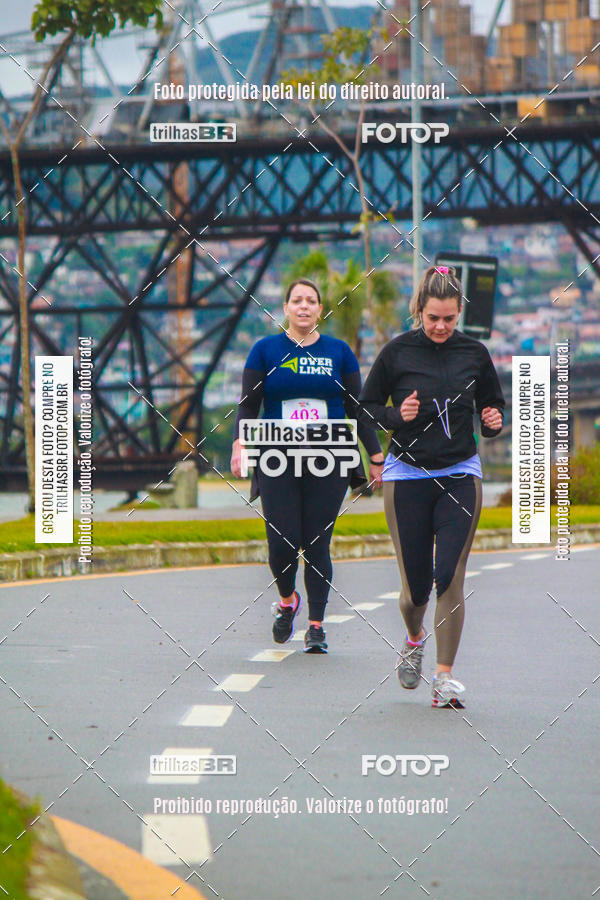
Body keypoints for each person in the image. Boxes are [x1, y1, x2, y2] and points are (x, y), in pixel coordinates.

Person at [359, 265, 504, 707]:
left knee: (450, 576)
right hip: (407, 478)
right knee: (415, 590)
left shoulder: (474, 354)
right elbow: (365, 408)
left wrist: (492, 421)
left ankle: (443, 679)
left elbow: (492, 405)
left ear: (459, 313)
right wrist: (395, 417)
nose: (441, 326)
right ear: (418, 310)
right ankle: (413, 636)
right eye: (433, 318)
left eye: (449, 319)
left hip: (460, 474)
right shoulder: (397, 353)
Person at [231, 278, 383, 653]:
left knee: (317, 542)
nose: (303, 306)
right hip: (276, 456)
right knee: (281, 542)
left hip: (329, 456)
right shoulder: (265, 350)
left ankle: (316, 626)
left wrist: (375, 456)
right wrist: (239, 443)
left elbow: (357, 408)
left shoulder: (339, 352)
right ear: (285, 308)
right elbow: (248, 405)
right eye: (296, 300)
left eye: (311, 301)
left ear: (319, 309)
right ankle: (288, 601)